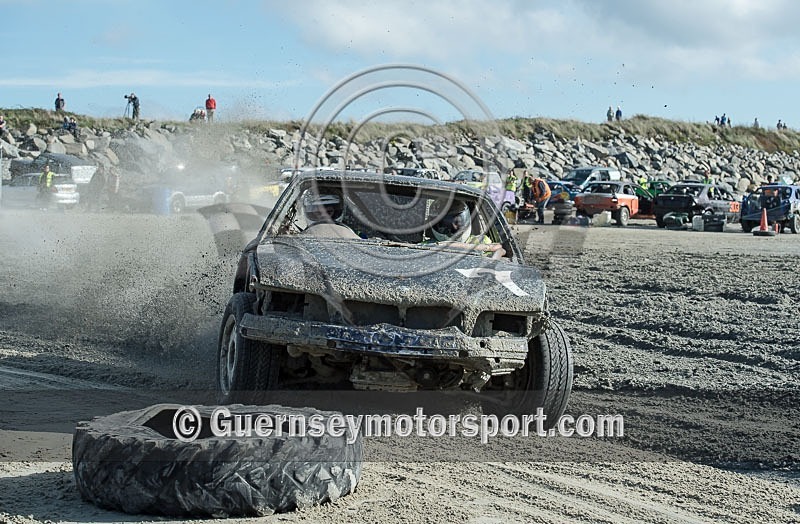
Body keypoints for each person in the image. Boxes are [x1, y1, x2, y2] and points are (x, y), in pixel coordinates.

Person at [429, 199, 505, 257]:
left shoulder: (481, 241)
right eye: (445, 224)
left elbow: (500, 250)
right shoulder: (425, 246)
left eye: (458, 222)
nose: (454, 227)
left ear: (467, 220)